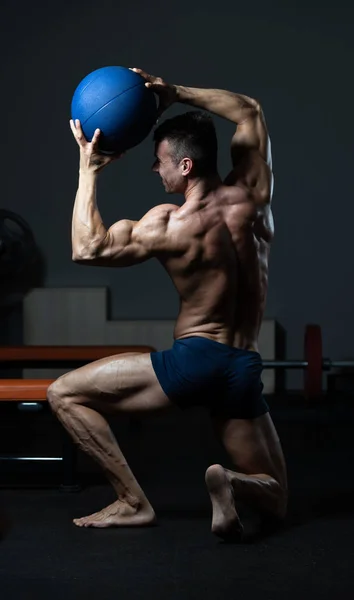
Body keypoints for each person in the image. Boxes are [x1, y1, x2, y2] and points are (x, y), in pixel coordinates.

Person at [47, 68, 288, 541]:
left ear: (185, 167)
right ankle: (232, 482)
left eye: (158, 162)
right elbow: (249, 111)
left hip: (193, 362)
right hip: (242, 365)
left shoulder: (169, 225)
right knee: (276, 498)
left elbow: (87, 248)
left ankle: (132, 501)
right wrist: (173, 93)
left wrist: (87, 170)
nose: (153, 169)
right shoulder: (254, 198)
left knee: (63, 394)